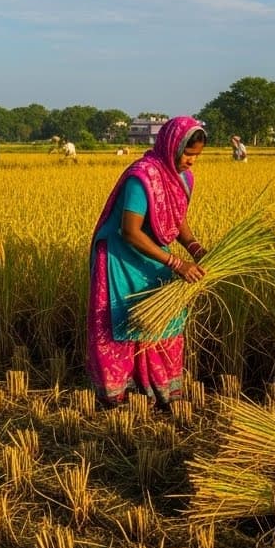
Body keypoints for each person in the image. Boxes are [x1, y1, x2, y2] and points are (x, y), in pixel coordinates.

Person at [87, 116, 208, 407]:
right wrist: (177, 264)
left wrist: (194, 247)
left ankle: (157, 390)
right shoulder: (143, 177)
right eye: (188, 154)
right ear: (171, 147)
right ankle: (118, 395)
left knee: (163, 319)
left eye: (196, 156)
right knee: (119, 322)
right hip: (121, 255)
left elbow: (175, 219)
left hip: (155, 252)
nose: (191, 161)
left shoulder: (183, 178)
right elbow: (130, 231)